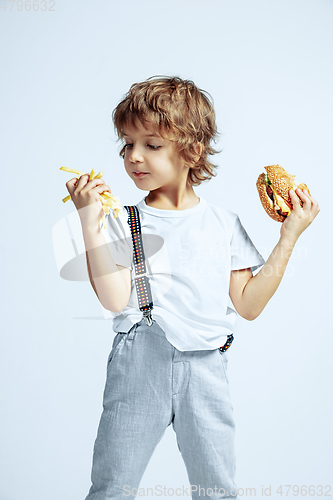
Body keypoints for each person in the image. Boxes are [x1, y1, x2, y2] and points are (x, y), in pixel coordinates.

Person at [65, 76, 320, 500]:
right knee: (112, 486)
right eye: (127, 144)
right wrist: (88, 221)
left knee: (216, 490)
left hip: (205, 370)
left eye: (151, 144)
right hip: (138, 365)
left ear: (191, 151)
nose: (134, 157)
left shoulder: (223, 224)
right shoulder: (123, 218)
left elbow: (248, 305)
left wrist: (288, 236)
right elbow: (113, 299)